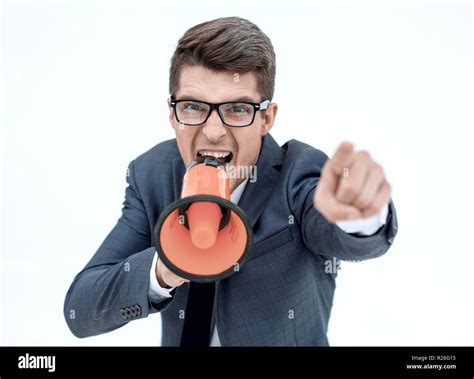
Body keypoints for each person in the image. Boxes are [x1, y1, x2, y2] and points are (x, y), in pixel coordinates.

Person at [64, 16, 398, 346]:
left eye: (237, 109)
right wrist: (163, 270)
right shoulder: (151, 174)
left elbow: (338, 231)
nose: (212, 131)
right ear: (171, 113)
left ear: (266, 118)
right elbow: (81, 309)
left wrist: (361, 218)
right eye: (194, 107)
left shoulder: (298, 173)